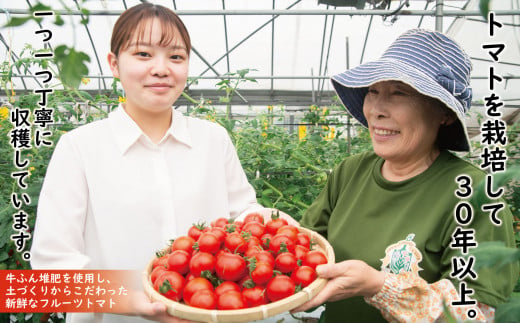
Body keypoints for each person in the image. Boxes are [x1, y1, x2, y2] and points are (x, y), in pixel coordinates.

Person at [30, 3, 281, 322]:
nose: (162, 68)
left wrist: (280, 225)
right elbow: (52, 269)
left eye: (176, 57)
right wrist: (132, 302)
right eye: (143, 54)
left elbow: (243, 214)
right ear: (114, 64)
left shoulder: (212, 140)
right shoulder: (80, 147)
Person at [293, 29, 519, 322]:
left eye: (399, 92)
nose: (377, 110)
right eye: (373, 91)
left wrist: (379, 286)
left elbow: (474, 311)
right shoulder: (350, 172)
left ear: (444, 113)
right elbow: (305, 248)